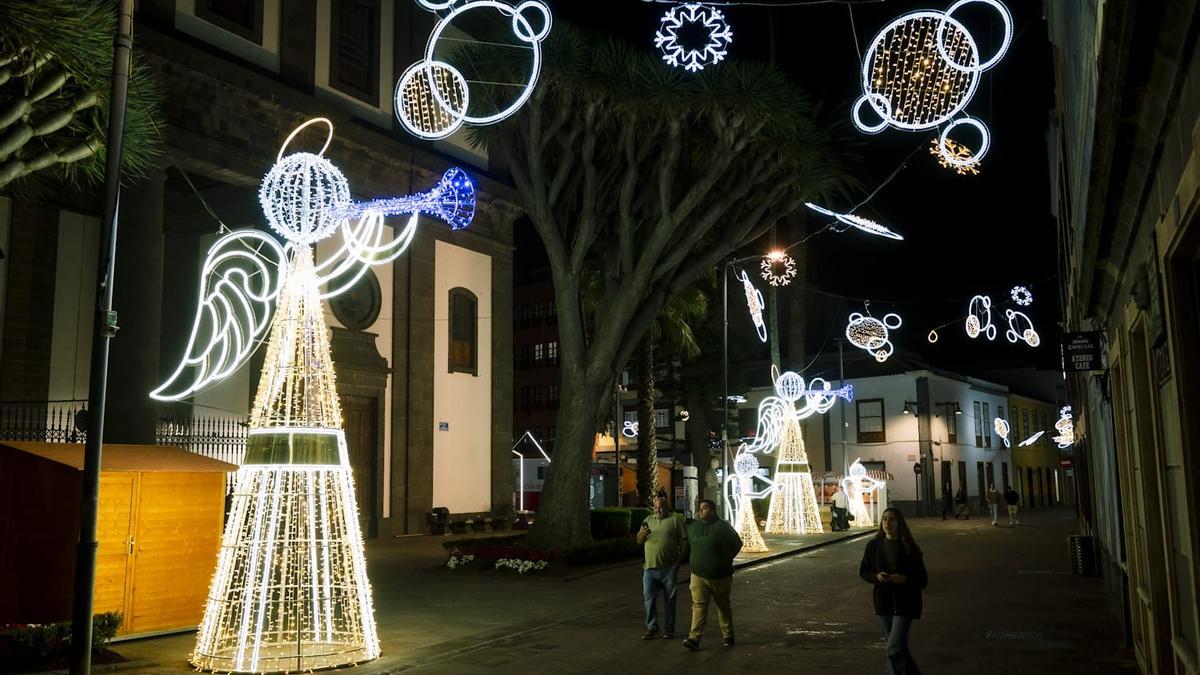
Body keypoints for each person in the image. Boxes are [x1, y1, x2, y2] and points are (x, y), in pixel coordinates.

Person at [859, 507, 928, 675]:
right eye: (884, 519)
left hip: (906, 603)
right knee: (898, 648)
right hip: (884, 604)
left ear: (899, 523)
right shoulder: (874, 545)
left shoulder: (909, 548)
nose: (887, 523)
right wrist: (877, 577)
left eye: (891, 519)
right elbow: (864, 571)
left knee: (893, 648)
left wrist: (904, 579)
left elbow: (922, 579)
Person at [682, 499, 742, 652]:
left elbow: (737, 544)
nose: (701, 511)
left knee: (722, 605)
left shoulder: (723, 527)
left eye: (704, 508)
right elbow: (689, 545)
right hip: (698, 574)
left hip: (719, 575)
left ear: (713, 510)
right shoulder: (694, 527)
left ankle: (728, 634)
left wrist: (723, 559)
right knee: (699, 605)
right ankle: (694, 638)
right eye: (700, 509)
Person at [636, 490, 688, 640]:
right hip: (649, 569)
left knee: (670, 600)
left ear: (667, 508)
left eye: (660, 507)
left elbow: (685, 541)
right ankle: (652, 627)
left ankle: (669, 629)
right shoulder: (648, 520)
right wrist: (641, 535)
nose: (657, 510)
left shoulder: (675, 520)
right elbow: (639, 541)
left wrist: (679, 562)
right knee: (649, 600)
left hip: (669, 568)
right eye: (655, 508)